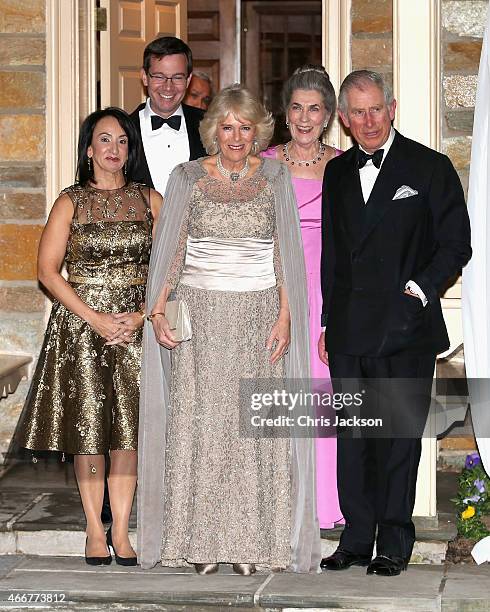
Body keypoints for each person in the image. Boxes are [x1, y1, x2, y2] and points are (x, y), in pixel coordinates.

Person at [137, 84, 321, 574]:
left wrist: (286, 316)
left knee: (253, 429)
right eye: (226, 126)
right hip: (200, 317)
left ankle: (252, 546)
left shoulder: (277, 177)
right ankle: (199, 545)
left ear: (258, 131)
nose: (236, 136)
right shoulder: (187, 177)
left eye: (245, 127)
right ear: (213, 130)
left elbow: (286, 253)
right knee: (201, 426)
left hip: (259, 316)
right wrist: (157, 310)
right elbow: (171, 250)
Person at [319, 70, 471, 576]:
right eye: (357, 112)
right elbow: (333, 256)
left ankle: (394, 543)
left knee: (397, 439)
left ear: (393, 107)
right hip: (349, 328)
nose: (368, 121)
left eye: (375, 109)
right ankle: (356, 538)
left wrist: (419, 290)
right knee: (354, 438)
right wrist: (327, 323)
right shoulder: (337, 172)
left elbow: (456, 243)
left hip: (406, 326)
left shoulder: (429, 166)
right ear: (343, 118)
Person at [15, 107, 162, 566]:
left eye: (121, 141)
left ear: (129, 149)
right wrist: (94, 317)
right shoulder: (70, 201)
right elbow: (47, 271)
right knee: (91, 433)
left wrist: (142, 315)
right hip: (82, 331)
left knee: (128, 435)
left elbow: (173, 269)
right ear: (88, 148)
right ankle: (94, 530)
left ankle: (121, 529)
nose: (113, 149)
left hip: (135, 331)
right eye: (104, 140)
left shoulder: (151, 199)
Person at [262, 65, 343, 532]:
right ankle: (279, 500)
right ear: (285, 113)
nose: (305, 117)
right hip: (275, 292)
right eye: (297, 108)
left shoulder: (343, 165)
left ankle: (324, 501)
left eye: (314, 109)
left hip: (327, 294)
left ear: (329, 115)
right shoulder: (266, 164)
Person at [130, 36, 207, 196]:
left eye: (177, 77)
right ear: (145, 77)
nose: (168, 87)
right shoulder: (123, 129)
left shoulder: (210, 125)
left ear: (188, 80)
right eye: (159, 76)